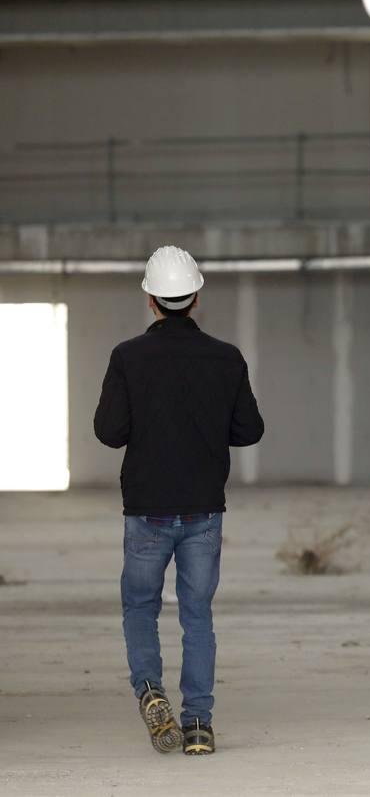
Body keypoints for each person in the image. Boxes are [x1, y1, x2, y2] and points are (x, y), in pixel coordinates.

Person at [94, 246, 264, 757]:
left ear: (150, 299)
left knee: (140, 608)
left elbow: (109, 431)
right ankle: (197, 726)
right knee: (197, 616)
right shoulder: (226, 357)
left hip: (146, 507)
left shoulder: (127, 357)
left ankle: (150, 691)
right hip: (203, 509)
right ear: (196, 298)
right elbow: (249, 430)